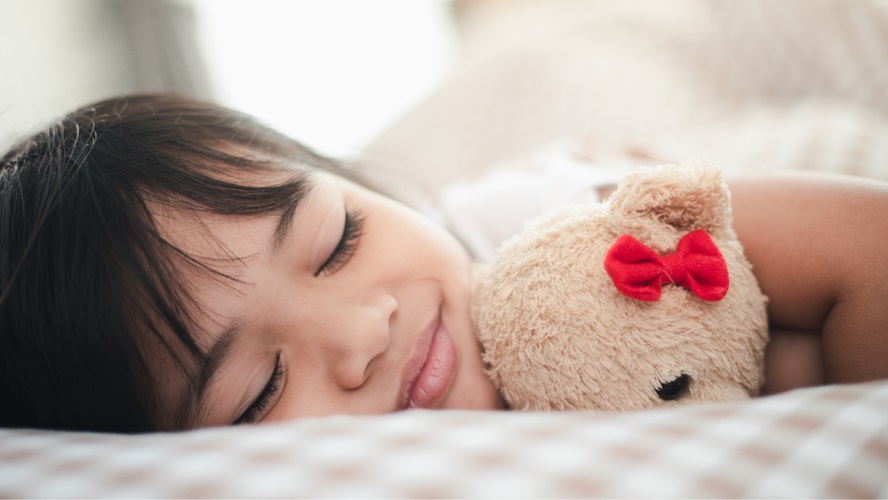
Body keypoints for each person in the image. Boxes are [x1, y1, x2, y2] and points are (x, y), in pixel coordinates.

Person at [1, 93, 886, 433]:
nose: (364, 329)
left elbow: (868, 249)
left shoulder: (546, 233)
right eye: (259, 389)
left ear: (356, 184)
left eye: (335, 241)